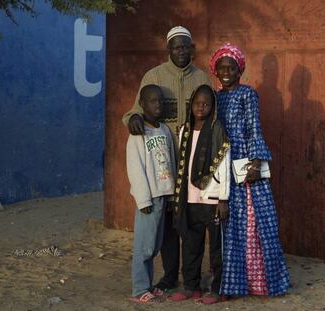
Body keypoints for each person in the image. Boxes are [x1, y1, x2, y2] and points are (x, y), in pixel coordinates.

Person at [122, 26, 211, 295]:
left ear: (192, 48)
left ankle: (190, 278)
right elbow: (134, 113)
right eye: (176, 47)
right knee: (169, 225)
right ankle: (170, 277)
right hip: (163, 166)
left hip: (193, 161)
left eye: (186, 46)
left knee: (190, 221)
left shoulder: (201, 78)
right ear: (168, 49)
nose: (181, 51)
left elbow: (211, 115)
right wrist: (133, 119)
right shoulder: (154, 76)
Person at [209, 43, 290, 296]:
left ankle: (260, 284)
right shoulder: (214, 97)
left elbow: (254, 128)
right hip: (222, 167)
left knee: (253, 225)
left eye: (231, 67)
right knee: (228, 226)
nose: (226, 72)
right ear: (215, 70)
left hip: (245, 168)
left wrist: (256, 161)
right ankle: (232, 284)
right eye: (221, 67)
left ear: (239, 70)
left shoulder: (248, 94)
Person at [170, 85, 230, 304]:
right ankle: (190, 286)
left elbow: (223, 166)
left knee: (216, 248)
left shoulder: (217, 130)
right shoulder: (185, 131)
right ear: (191, 105)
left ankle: (217, 289)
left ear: (213, 106)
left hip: (212, 200)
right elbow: (183, 167)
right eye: (197, 103)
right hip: (190, 199)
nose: (201, 107)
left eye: (206, 103)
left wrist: (223, 198)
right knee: (191, 245)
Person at [126, 85, 176, 304]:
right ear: (142, 105)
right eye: (153, 101)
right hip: (149, 198)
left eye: (161, 101)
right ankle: (139, 289)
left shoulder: (164, 130)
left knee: (155, 245)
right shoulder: (138, 134)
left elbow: (171, 161)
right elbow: (135, 168)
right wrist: (143, 198)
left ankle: (148, 284)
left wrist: (173, 193)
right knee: (144, 246)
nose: (158, 105)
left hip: (165, 195)